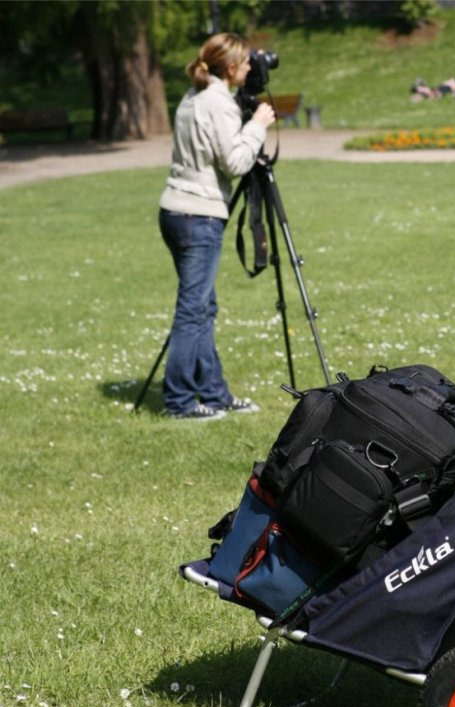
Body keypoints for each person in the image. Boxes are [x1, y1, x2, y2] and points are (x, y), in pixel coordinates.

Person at [158, 32, 276, 420]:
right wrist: (257, 125)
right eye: (246, 63)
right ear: (231, 68)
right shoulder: (219, 104)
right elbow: (236, 163)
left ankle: (214, 393)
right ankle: (178, 401)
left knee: (202, 307)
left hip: (175, 210)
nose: (251, 67)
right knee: (193, 311)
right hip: (199, 215)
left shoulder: (193, 96)